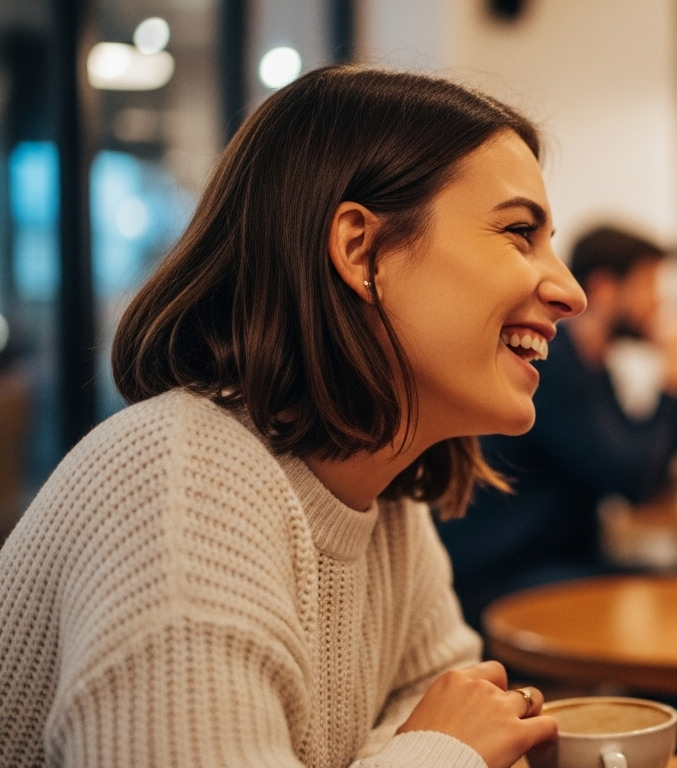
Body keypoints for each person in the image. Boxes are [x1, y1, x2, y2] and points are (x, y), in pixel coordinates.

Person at [0, 66, 587, 767]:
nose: (569, 292)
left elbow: (468, 717)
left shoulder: (387, 501)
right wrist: (440, 751)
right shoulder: (184, 489)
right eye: (520, 233)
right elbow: (459, 740)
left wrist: (432, 744)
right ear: (359, 249)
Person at [437, 226, 677, 628]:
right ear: (605, 288)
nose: (660, 303)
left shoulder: (591, 365)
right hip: (506, 576)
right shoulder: (552, 366)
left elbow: (644, 458)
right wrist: (676, 387)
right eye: (650, 285)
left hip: (555, 563)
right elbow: (632, 479)